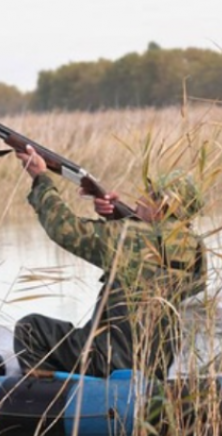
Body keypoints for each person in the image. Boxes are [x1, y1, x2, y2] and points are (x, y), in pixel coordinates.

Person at [13, 146, 206, 379]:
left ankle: (48, 404)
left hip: (108, 362)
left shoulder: (126, 236)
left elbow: (62, 228)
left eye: (148, 194)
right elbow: (153, 250)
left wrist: (41, 178)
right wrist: (116, 217)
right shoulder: (196, 249)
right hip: (160, 365)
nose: (139, 200)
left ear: (161, 207)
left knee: (30, 329)